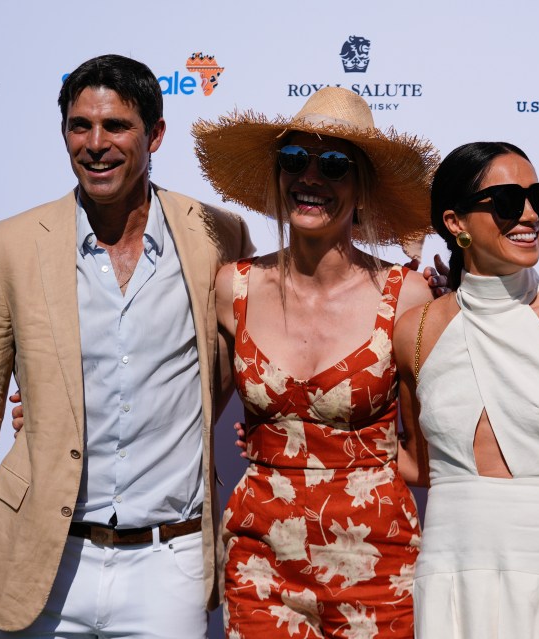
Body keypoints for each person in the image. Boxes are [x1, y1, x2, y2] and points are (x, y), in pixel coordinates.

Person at [0, 54, 253, 639]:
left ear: (154, 134)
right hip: (44, 560)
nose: (96, 144)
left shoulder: (216, 234)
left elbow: (230, 369)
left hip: (169, 562)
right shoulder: (7, 248)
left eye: (116, 126)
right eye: (80, 126)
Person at [192, 87, 438, 638]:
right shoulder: (233, 286)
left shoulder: (406, 295)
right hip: (260, 564)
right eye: (293, 161)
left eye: (333, 165)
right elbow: (185, 406)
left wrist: (341, 454)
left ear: (362, 188)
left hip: (378, 564)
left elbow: (423, 457)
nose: (310, 177)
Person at [393, 141, 539, 638]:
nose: (531, 214)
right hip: (452, 566)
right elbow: (418, 464)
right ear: (456, 222)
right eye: (510, 201)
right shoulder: (415, 332)